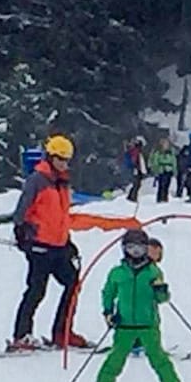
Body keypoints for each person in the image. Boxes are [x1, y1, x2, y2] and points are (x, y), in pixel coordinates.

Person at [8, 135, 141, 352]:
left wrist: (67, 241)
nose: (64, 164)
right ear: (50, 157)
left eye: (67, 160)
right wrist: (22, 231)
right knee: (36, 290)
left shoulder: (62, 182)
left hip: (58, 246)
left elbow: (60, 216)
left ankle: (63, 332)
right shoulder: (38, 180)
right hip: (39, 246)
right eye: (60, 159)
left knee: (72, 283)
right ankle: (21, 336)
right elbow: (21, 211)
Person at [94, 229, 186, 382]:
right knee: (115, 360)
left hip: (148, 325)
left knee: (159, 360)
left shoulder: (153, 271)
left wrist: (160, 289)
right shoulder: (117, 273)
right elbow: (108, 293)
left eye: (139, 249)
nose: (135, 253)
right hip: (124, 326)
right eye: (130, 248)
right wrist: (108, 312)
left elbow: (162, 299)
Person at [148, 138, 176, 203]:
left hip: (169, 170)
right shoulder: (158, 152)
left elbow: (174, 161)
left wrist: (174, 170)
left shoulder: (171, 152)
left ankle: (165, 198)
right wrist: (156, 170)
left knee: (167, 185)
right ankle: (160, 198)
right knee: (161, 185)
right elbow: (155, 161)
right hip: (161, 170)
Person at [125, 136, 148, 202]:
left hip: (136, 169)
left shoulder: (135, 150)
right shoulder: (136, 150)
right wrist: (138, 168)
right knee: (137, 184)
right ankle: (132, 197)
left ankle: (131, 197)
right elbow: (137, 160)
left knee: (137, 184)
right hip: (136, 169)